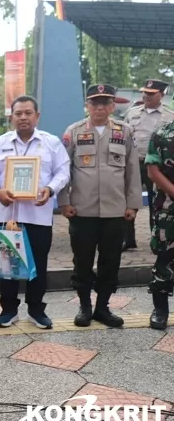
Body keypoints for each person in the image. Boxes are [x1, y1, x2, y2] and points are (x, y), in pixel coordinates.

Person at [0, 96, 70, 329]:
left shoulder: (51, 142)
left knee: (38, 265)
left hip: (39, 216)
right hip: (7, 215)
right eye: (18, 113)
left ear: (37, 116)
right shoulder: (0, 144)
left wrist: (50, 189)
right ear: (11, 117)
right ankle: (8, 310)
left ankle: (36, 309)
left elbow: (64, 171)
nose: (23, 117)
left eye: (28, 113)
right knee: (6, 265)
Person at [59, 84, 142, 328]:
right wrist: (64, 202)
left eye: (105, 103)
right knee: (82, 262)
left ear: (112, 106)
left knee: (110, 261)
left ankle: (102, 307)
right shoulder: (73, 131)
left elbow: (132, 171)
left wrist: (133, 204)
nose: (100, 107)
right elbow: (64, 170)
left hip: (115, 210)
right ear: (87, 105)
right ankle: (84, 306)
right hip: (82, 210)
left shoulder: (124, 131)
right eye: (95, 102)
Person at [122, 79, 174, 251]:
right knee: (128, 200)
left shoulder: (169, 116)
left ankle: (156, 240)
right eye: (144, 92)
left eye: (151, 93)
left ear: (162, 94)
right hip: (133, 163)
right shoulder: (132, 113)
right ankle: (127, 240)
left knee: (156, 203)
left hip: (158, 168)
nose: (146, 96)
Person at [144, 113, 174, 329]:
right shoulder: (161, 134)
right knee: (164, 258)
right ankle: (160, 310)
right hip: (168, 210)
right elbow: (153, 171)